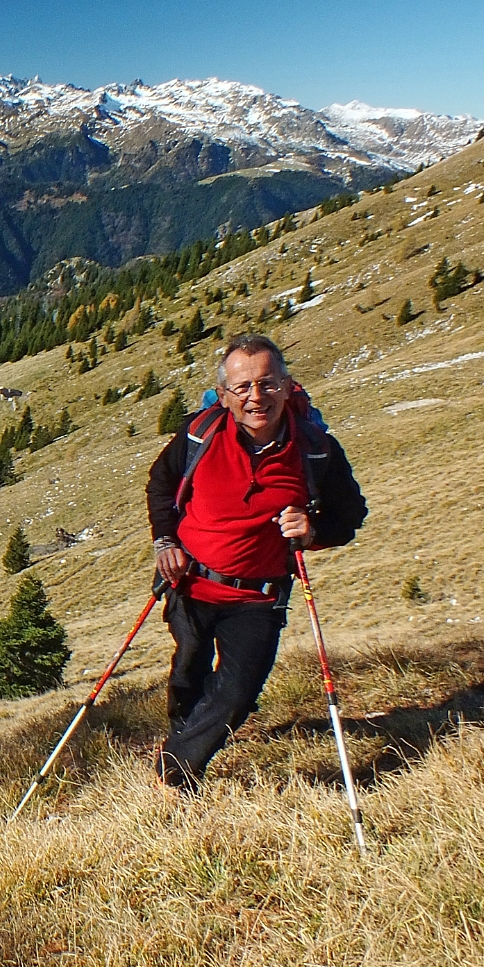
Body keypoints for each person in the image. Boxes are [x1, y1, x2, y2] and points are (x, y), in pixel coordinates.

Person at [145, 333, 366, 788]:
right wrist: (165, 541)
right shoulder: (197, 435)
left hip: (257, 595)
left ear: (287, 386)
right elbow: (160, 486)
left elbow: (349, 514)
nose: (256, 397)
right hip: (190, 580)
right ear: (225, 396)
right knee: (188, 670)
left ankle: (176, 772)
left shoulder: (315, 449)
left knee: (238, 693)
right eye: (243, 387)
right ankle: (184, 739)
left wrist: (313, 532)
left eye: (267, 384)